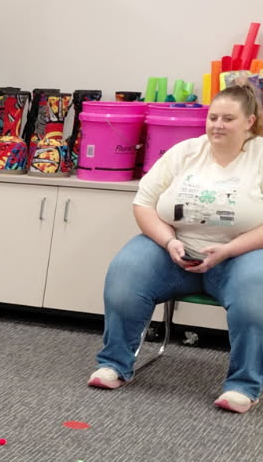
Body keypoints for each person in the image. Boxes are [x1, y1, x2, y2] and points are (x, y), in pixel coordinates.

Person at [89, 84, 263, 414]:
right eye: (213, 117)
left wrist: (228, 250)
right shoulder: (185, 152)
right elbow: (144, 204)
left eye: (228, 118)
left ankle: (243, 385)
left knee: (256, 292)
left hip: (240, 255)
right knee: (126, 272)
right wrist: (169, 241)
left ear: (249, 121)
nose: (218, 125)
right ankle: (115, 364)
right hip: (174, 250)